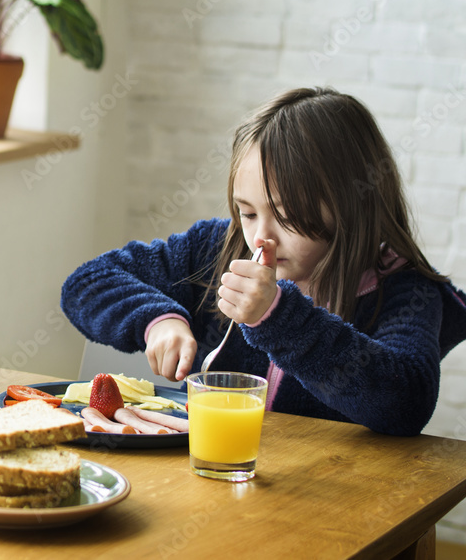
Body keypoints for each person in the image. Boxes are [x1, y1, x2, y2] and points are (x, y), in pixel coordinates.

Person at [61, 87, 466, 436]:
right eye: (249, 212)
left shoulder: (405, 289)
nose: (260, 237)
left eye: (287, 216)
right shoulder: (218, 247)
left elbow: (405, 403)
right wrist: (158, 320)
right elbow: (87, 281)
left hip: (331, 506)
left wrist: (276, 316)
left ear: (351, 206)